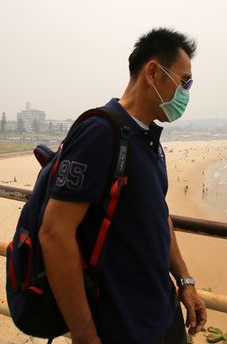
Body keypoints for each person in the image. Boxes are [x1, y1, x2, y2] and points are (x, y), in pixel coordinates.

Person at [39, 28, 206, 344]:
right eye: (185, 82)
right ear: (154, 73)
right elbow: (54, 233)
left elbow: (160, 216)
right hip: (122, 326)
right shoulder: (100, 132)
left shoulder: (149, 140)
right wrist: (85, 335)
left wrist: (185, 281)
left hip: (163, 316)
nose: (187, 92)